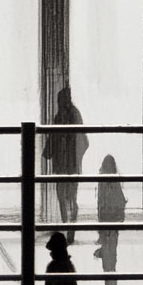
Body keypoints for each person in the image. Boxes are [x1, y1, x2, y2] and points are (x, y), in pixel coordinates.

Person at [41, 87, 89, 242]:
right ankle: (71, 229)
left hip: (63, 165)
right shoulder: (76, 115)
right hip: (73, 166)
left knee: (62, 196)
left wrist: (48, 153)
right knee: (70, 198)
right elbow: (84, 142)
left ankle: (68, 227)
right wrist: (77, 158)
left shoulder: (60, 116)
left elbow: (53, 138)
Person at [94, 154, 127, 285]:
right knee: (111, 263)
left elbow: (101, 206)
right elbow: (120, 202)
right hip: (113, 228)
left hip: (107, 226)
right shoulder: (116, 182)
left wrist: (100, 232)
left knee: (108, 266)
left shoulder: (102, 182)